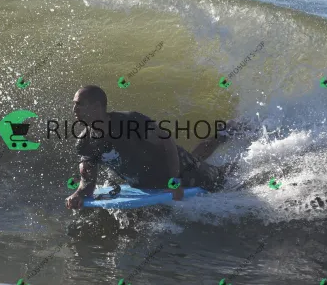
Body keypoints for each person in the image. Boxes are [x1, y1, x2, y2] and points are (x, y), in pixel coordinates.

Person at [65, 85, 241, 210]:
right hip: (150, 182)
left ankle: (248, 156)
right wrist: (79, 194)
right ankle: (225, 131)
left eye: (79, 104)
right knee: (197, 156)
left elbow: (167, 141)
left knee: (221, 178)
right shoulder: (85, 143)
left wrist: (174, 181)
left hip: (181, 170)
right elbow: (88, 181)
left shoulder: (129, 122)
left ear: (96, 106)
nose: (74, 109)